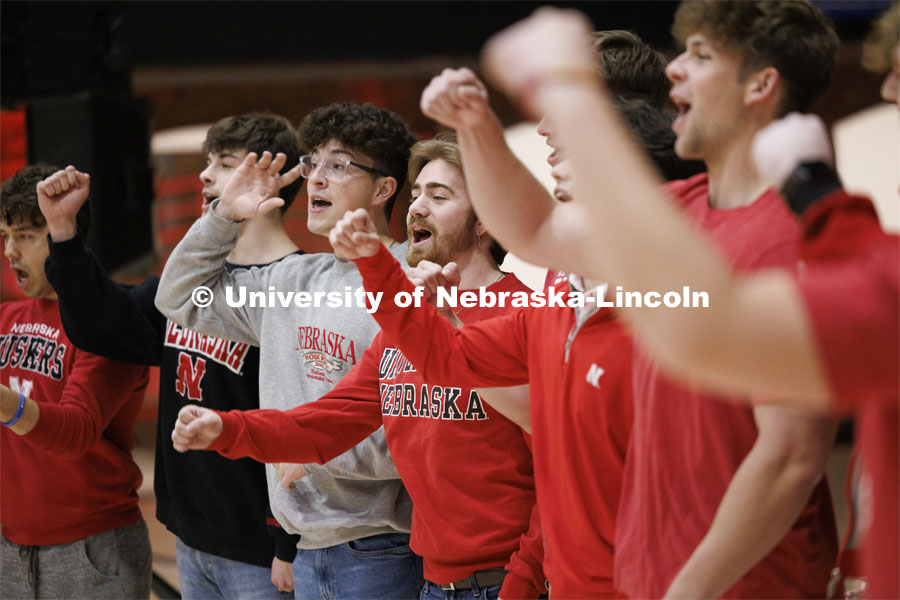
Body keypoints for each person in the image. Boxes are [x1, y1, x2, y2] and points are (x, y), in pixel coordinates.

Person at [479, 4, 899, 596]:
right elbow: (537, 231)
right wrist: (473, 122)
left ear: (760, 84)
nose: (674, 69)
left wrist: (568, 89)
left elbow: (788, 453)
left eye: (700, 54)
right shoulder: (684, 208)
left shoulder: (783, 233)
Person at [169, 134, 547, 599]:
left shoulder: (525, 315)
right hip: (435, 581)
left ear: (486, 221)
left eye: (440, 196)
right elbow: (329, 423)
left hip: (503, 579)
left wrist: (525, 581)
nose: (417, 208)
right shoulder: (411, 323)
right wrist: (226, 429)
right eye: (417, 194)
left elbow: (558, 472)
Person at [155, 103, 423, 599]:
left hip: (381, 548)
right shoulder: (293, 280)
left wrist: (308, 450)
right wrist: (225, 215)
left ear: (385, 188)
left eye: (338, 165)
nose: (317, 179)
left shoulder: (414, 280)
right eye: (313, 163)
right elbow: (177, 299)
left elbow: (415, 437)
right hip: (306, 545)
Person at [37, 113, 304, 598]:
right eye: (207, 162)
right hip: (191, 538)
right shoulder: (186, 288)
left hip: (261, 553)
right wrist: (64, 233)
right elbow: (103, 324)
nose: (204, 176)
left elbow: (305, 423)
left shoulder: (297, 287)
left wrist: (288, 542)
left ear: (268, 180)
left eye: (222, 163)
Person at [0, 164, 151, 599]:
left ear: (62, 234)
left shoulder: (109, 323)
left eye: (25, 236)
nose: (10, 251)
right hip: (11, 546)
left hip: (93, 547)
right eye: (5, 236)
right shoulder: (7, 318)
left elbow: (76, 433)